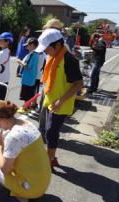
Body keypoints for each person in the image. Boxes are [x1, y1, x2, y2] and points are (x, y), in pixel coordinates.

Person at [0, 100, 51, 202]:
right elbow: (9, 135)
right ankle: (23, 189)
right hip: (43, 181)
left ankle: (22, 198)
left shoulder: (14, 136)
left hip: (32, 188)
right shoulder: (25, 123)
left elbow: (4, 169)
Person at [35, 28, 83, 168]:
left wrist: (60, 101)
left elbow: (79, 84)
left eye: (46, 49)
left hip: (61, 104)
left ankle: (49, 160)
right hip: (51, 101)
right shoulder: (54, 57)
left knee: (51, 132)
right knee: (48, 131)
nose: (45, 52)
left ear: (57, 45)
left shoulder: (69, 60)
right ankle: (52, 158)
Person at [16, 37, 45, 115]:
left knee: (27, 94)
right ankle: (29, 106)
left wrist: (20, 62)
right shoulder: (37, 54)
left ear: (32, 45)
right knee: (30, 93)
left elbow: (27, 65)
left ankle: (26, 108)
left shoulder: (34, 54)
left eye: (28, 45)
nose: (26, 47)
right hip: (33, 77)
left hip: (30, 77)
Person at [0, 32, 13, 100]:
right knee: (2, 98)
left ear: (7, 42)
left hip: (0, 78)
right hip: (5, 77)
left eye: (1, 40)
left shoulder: (1, 53)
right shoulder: (8, 51)